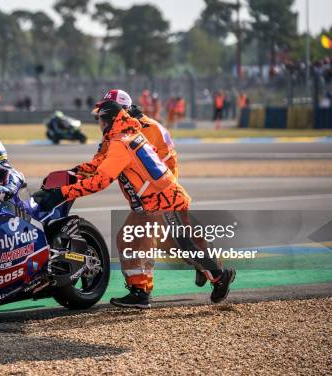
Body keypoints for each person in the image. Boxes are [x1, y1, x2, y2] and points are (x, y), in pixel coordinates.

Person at [34, 99, 235, 309]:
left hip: (162, 201)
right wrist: (76, 171)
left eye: (100, 119)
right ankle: (144, 291)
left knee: (177, 243)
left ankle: (215, 277)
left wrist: (61, 194)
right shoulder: (124, 135)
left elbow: (101, 180)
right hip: (153, 203)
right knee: (139, 241)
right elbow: (100, 163)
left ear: (110, 119)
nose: (99, 124)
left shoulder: (121, 142)